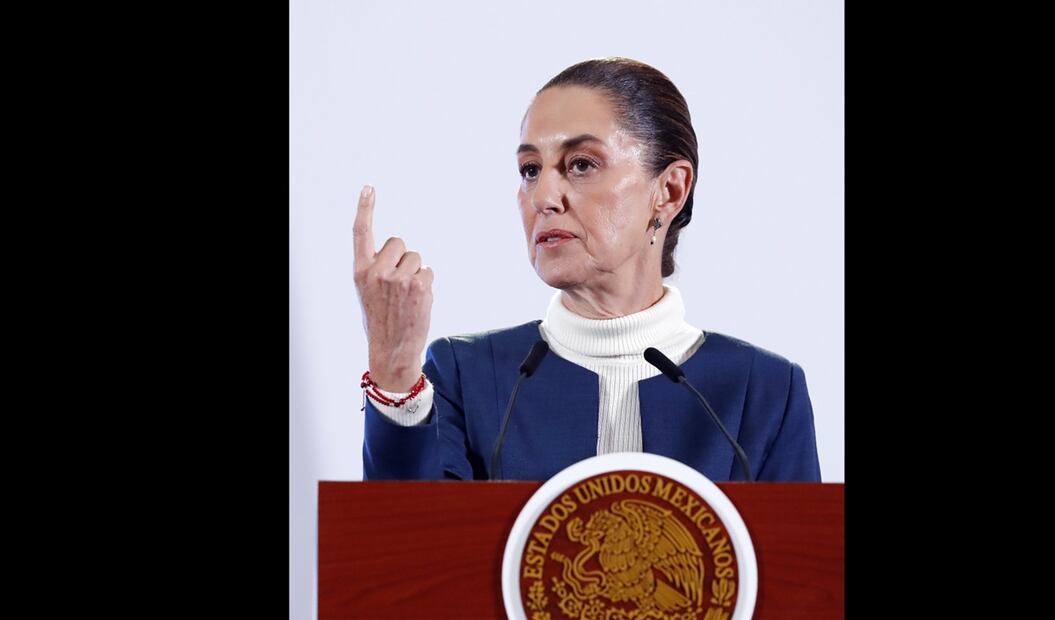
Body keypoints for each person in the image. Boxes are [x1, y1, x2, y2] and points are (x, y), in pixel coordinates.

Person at [353, 57, 821, 482]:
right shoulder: (468, 375)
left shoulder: (762, 392)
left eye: (580, 164)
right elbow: (410, 538)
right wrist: (394, 371)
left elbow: (796, 552)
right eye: (530, 169)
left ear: (670, 191)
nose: (543, 197)